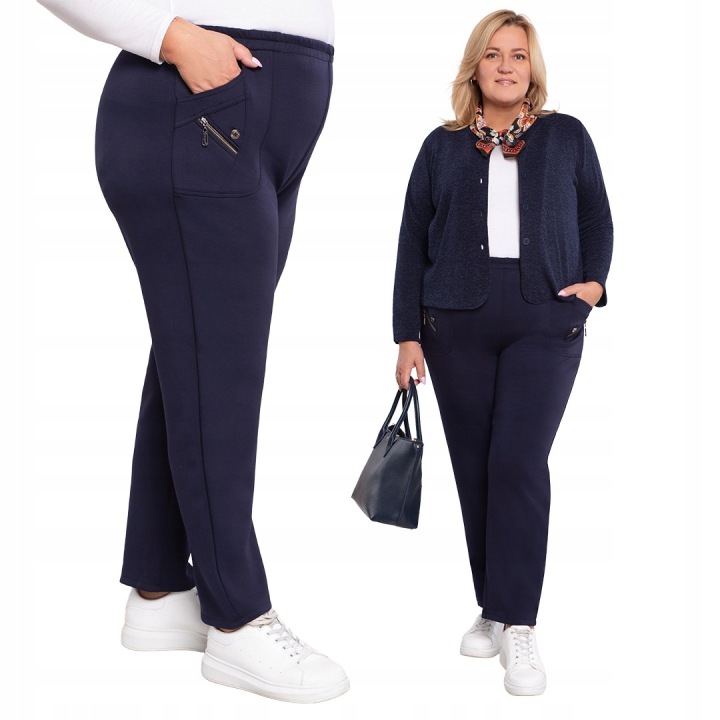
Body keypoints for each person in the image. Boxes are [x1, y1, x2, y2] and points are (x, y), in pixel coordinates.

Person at [36, 0, 348, 704]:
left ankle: (159, 587)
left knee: (203, 353)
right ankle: (237, 616)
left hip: (257, 115)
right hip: (198, 106)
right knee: (220, 368)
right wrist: (168, 36)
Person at [393, 9, 612, 696]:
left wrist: (592, 287)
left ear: (532, 68)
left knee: (517, 461)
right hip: (454, 325)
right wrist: (406, 333)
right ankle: (492, 604)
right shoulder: (441, 147)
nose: (507, 66)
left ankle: (518, 623)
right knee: (476, 470)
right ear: (476, 68)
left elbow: (595, 214)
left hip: (545, 319)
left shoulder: (566, 136)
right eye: (494, 54)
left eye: (518, 55)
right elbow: (411, 238)